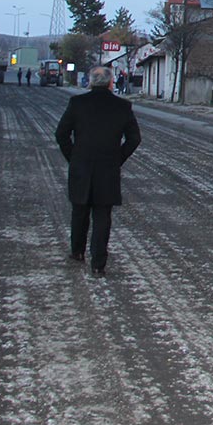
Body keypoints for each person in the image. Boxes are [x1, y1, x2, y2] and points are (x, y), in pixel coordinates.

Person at [55, 65, 141, 278]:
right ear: (112, 83)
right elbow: (134, 139)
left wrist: (73, 156)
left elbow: (61, 134)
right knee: (103, 216)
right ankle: (98, 264)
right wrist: (118, 158)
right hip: (107, 168)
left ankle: (77, 251)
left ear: (91, 82)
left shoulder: (77, 103)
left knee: (79, 211)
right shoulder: (122, 107)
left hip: (81, 166)